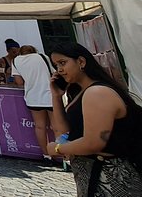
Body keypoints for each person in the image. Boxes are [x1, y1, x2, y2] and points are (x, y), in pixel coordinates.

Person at [46, 42, 142, 195]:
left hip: (110, 179)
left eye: (62, 63)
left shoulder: (96, 93)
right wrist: (56, 96)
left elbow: (93, 142)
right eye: (56, 65)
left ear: (81, 62)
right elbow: (64, 133)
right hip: (92, 177)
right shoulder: (80, 93)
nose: (60, 70)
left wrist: (57, 149)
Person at [12, 45, 55, 164]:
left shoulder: (16, 61)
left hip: (33, 97)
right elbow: (53, 73)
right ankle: (65, 157)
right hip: (50, 95)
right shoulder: (43, 57)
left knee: (40, 126)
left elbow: (19, 82)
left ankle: (46, 155)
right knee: (57, 127)